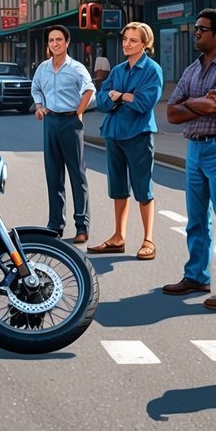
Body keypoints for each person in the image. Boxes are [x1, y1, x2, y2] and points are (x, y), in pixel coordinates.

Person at [162, 9, 216, 311]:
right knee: (196, 219)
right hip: (195, 150)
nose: (196, 33)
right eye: (195, 28)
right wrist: (197, 104)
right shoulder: (192, 69)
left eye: (202, 29)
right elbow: (171, 113)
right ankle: (196, 275)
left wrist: (191, 104)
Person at [89, 23, 163, 260]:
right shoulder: (118, 70)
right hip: (113, 134)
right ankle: (118, 237)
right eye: (125, 39)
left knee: (143, 188)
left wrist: (119, 96)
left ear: (145, 44)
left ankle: (148, 240)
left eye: (133, 40)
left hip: (138, 135)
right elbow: (101, 101)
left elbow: (144, 103)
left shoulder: (152, 70)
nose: (126, 44)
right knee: (118, 188)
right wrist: (122, 97)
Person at [30, 25, 95, 242]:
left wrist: (78, 113)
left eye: (59, 40)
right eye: (51, 40)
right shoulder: (43, 68)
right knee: (53, 174)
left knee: (77, 175)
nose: (55, 44)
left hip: (70, 122)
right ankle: (55, 224)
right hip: (50, 121)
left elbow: (89, 89)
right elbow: (36, 87)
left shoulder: (76, 68)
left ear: (67, 43)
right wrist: (39, 106)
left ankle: (82, 226)